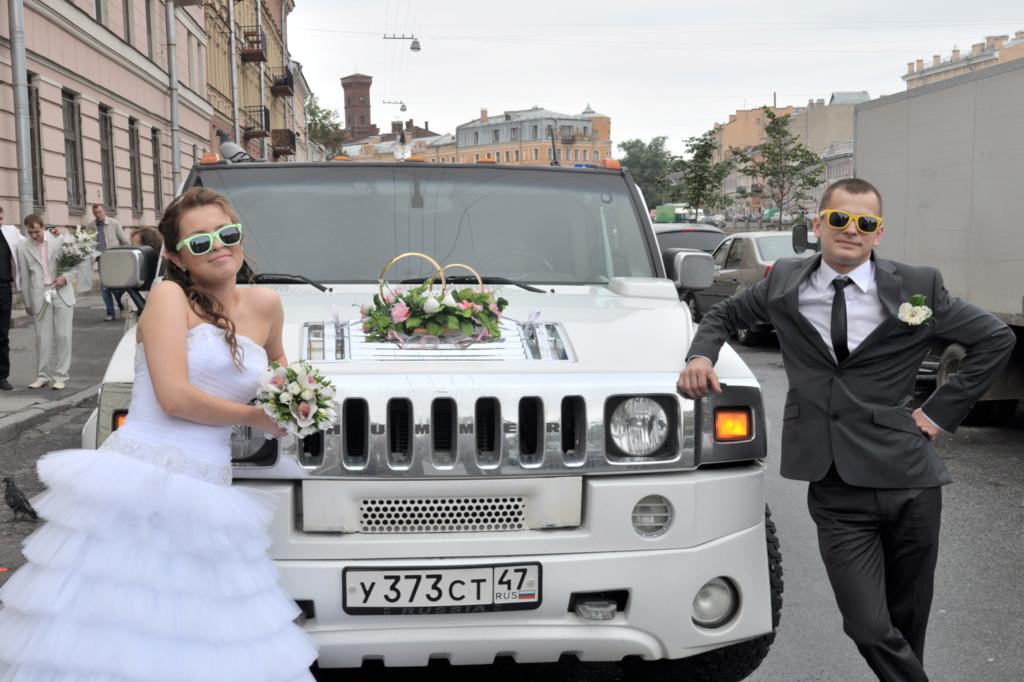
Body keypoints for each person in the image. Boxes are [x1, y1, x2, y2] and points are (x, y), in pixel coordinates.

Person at [677, 178, 1015, 682]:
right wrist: (700, 355)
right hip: (835, 485)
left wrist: (938, 413)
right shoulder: (784, 282)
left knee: (907, 624)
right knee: (868, 627)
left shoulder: (917, 286)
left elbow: (994, 338)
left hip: (909, 483)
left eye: (865, 222)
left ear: (879, 232)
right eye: (839, 218)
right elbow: (725, 313)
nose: (851, 230)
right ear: (818, 225)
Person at [0, 188, 317, 680]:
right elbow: (174, 397)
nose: (218, 246)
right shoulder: (170, 296)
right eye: (200, 241)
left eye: (227, 233)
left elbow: (283, 381)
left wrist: (301, 404)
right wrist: (256, 418)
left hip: (210, 490)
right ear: (176, 256)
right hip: (141, 482)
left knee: (205, 633)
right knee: (125, 634)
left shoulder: (266, 305)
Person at [17, 218, 76, 391]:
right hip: (40, 294)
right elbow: (24, 276)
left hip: (61, 291)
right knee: (42, 338)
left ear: (43, 227)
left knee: (64, 336)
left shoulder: (59, 239)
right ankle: (42, 376)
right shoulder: (23, 247)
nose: (34, 235)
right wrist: (27, 301)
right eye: (30, 232)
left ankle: (61, 376)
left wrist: (65, 277)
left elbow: (74, 263)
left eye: (37, 231)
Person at [88, 203, 129, 321]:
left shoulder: (114, 223)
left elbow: (125, 242)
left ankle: (122, 306)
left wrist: (122, 256)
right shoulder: (90, 227)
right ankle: (110, 313)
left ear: (104, 211)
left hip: (114, 260)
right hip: (101, 260)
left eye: (100, 212)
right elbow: (88, 245)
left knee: (116, 287)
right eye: (95, 213)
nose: (98, 215)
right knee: (105, 287)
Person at [0, 206, 24, 391]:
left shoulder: (10, 232)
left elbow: (30, 242)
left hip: (3, 290)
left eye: (0, 218)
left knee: (2, 335)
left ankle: (2, 376)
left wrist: (51, 234)